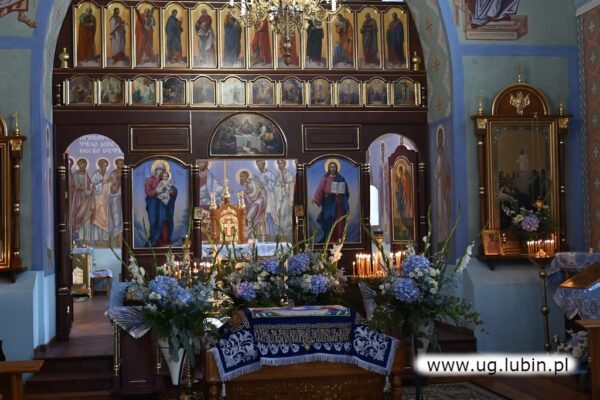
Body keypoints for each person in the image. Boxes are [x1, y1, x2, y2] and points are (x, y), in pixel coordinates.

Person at [312, 160, 349, 243]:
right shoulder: (325, 178)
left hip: (338, 203)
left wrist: (340, 194)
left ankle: (338, 239)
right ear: (328, 168)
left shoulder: (341, 178)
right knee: (328, 220)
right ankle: (329, 239)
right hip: (328, 203)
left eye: (334, 167)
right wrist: (316, 199)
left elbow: (346, 191)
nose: (333, 168)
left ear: (337, 168)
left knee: (338, 221)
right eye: (331, 167)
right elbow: (320, 190)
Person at [144, 161, 178, 247]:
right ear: (155, 170)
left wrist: (172, 192)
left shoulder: (164, 179)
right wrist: (156, 191)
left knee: (164, 221)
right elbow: (148, 193)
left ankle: (164, 240)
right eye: (159, 169)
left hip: (163, 205)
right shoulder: (149, 180)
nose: (160, 171)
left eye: (163, 170)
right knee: (154, 222)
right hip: (153, 205)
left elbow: (173, 190)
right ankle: (154, 241)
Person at [238, 170, 267, 240]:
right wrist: (244, 194)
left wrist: (245, 193)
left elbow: (253, 195)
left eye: (242, 176)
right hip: (255, 201)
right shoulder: (247, 184)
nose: (241, 178)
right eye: (240, 177)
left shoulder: (253, 182)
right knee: (248, 216)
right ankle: (249, 235)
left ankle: (247, 234)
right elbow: (250, 197)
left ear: (246, 176)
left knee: (249, 216)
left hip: (261, 199)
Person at [71, 158, 94, 243]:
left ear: (85, 165)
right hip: (77, 199)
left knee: (86, 219)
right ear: (78, 165)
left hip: (86, 201)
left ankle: (86, 239)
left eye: (83, 164)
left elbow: (90, 186)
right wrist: (83, 187)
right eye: (80, 164)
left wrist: (91, 188)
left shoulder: (87, 175)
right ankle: (75, 240)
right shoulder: (74, 175)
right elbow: (75, 186)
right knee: (76, 219)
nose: (82, 166)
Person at [434, 127, 450, 241]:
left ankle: (445, 234)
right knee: (440, 209)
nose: (439, 139)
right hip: (439, 186)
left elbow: (447, 171)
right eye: (438, 137)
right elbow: (436, 173)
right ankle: (441, 234)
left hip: (443, 187)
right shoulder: (438, 157)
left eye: (441, 137)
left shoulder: (444, 156)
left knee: (443, 208)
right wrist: (438, 175)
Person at [90, 159, 111, 245]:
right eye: (103, 165)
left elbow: (109, 188)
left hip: (104, 200)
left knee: (105, 219)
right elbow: (92, 186)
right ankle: (96, 239)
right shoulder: (95, 174)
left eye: (106, 165)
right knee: (96, 218)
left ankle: (105, 239)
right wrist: (102, 183)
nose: (104, 167)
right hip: (97, 199)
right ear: (99, 166)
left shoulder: (106, 176)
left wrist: (108, 184)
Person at [274, 160, 295, 241]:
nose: (279, 165)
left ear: (285, 164)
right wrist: (279, 186)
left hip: (287, 197)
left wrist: (284, 185)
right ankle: (282, 233)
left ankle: (285, 233)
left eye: (281, 163)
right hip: (281, 198)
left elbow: (291, 185)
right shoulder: (279, 174)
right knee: (280, 214)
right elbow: (276, 187)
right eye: (278, 164)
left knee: (284, 213)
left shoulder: (288, 174)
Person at [255, 160, 276, 238]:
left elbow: (274, 186)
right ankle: (266, 233)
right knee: (265, 215)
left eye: (260, 165)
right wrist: (258, 182)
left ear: (264, 164)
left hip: (270, 196)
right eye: (258, 165)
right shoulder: (260, 175)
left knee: (269, 213)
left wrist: (268, 182)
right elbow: (261, 186)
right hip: (264, 196)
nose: (259, 167)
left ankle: (272, 234)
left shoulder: (270, 174)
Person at [108, 158, 124, 247]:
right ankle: (116, 239)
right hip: (115, 196)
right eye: (118, 163)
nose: (119, 165)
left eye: (121, 163)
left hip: (124, 196)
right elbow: (112, 185)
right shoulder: (113, 173)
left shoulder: (126, 172)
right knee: (116, 217)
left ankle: (121, 238)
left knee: (123, 218)